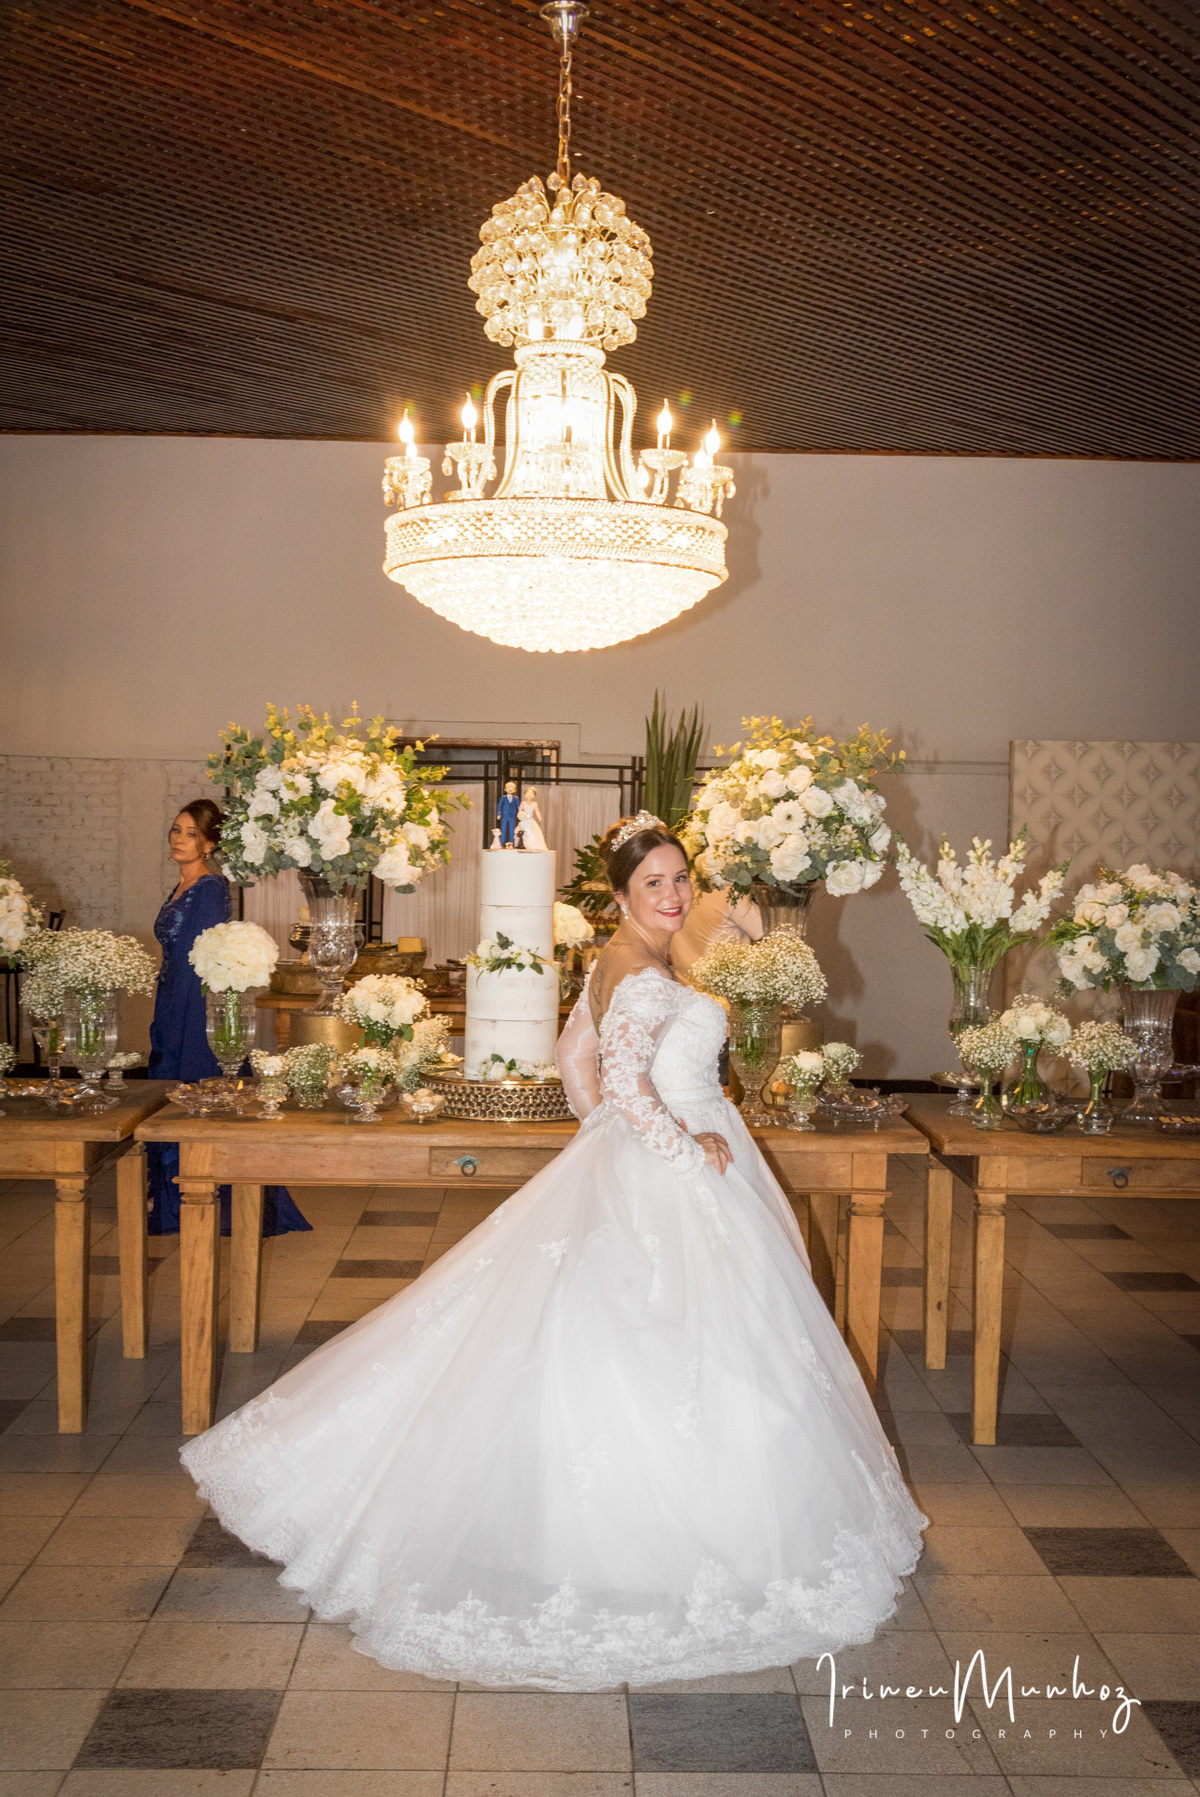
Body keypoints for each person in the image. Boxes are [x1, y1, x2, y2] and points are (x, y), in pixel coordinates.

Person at [180, 813, 925, 1690]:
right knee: (681, 1342)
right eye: (654, 882)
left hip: (641, 1156)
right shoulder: (644, 973)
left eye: (681, 877)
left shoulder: (621, 961)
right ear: (619, 894)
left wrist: (605, 1136)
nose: (675, 893)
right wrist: (687, 1148)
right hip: (677, 1160)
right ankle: (663, 1542)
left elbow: (578, 1057)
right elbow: (626, 1083)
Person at [147, 800, 310, 1238]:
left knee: (198, 1089)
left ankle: (204, 1204)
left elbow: (199, 958)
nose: (180, 839)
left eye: (190, 834)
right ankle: (168, 1204)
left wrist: (184, 1022)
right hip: (168, 998)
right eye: (176, 830)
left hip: (193, 1004)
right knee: (168, 1092)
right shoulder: (180, 886)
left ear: (209, 843)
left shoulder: (210, 887)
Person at [669, 883, 764, 978]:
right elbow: (768, 932)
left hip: (684, 983)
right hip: (725, 987)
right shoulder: (730, 894)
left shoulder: (676, 891)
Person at [515, 785, 548, 853]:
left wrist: (539, 817)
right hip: (524, 820)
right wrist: (520, 815)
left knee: (532, 833)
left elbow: (537, 811)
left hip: (531, 821)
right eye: (528, 793)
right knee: (521, 832)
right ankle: (521, 845)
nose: (529, 795)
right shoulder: (523, 803)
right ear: (524, 794)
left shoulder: (535, 804)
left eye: (531, 793)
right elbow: (520, 810)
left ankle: (532, 846)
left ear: (534, 796)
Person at [496, 779, 520, 847]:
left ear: (515, 790)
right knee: (503, 829)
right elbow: (499, 806)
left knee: (512, 830)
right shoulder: (503, 798)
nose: (510, 789)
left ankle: (511, 843)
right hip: (504, 816)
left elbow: (519, 807)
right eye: (508, 788)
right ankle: (501, 844)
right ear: (505, 789)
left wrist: (520, 813)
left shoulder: (516, 798)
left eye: (512, 788)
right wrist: (499, 813)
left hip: (512, 816)